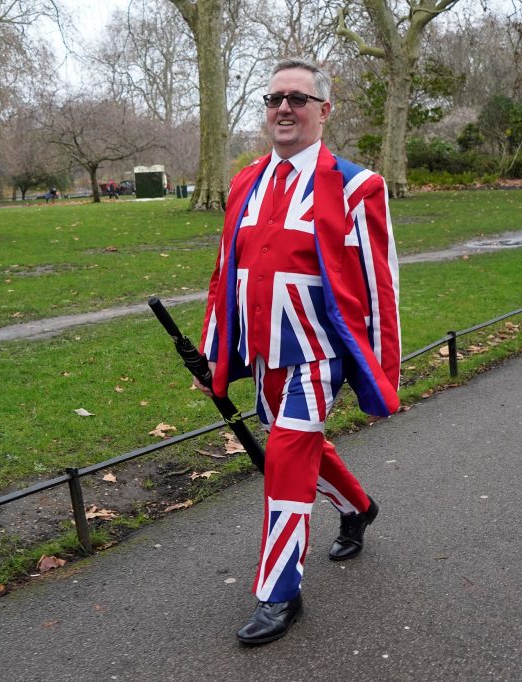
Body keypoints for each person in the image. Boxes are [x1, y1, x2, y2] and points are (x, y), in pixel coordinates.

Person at [194, 57, 401, 645]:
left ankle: (279, 593)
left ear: (323, 111)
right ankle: (358, 506)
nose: (284, 108)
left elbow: (380, 284)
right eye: (274, 98)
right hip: (264, 354)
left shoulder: (359, 186)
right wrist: (216, 348)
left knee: (285, 461)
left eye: (298, 99)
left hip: (317, 356)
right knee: (303, 445)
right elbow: (223, 272)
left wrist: (383, 372)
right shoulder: (245, 181)